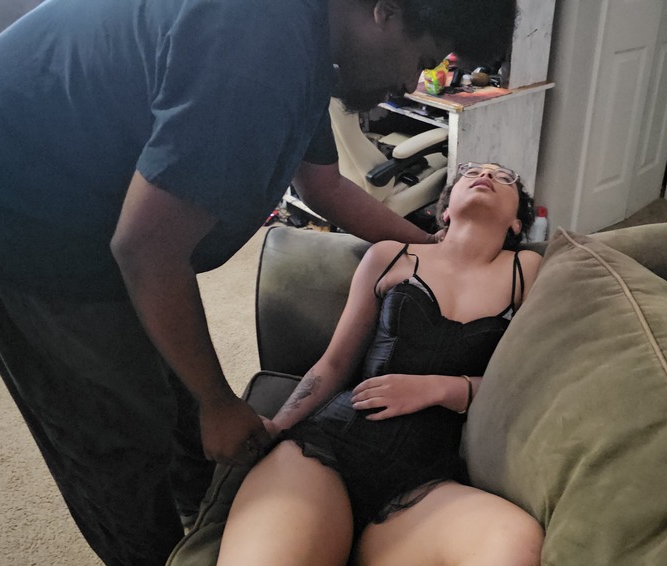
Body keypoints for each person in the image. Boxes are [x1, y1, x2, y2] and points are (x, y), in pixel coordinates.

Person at [0, 0, 517, 563]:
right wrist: (217, 402)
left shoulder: (310, 43)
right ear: (385, 11)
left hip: (97, 200)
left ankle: (202, 514)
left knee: (173, 392)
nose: (411, 84)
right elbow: (147, 250)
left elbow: (323, 186)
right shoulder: (257, 48)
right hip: (9, 201)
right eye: (422, 60)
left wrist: (438, 252)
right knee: (115, 435)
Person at [218, 162, 545, 565]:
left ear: (516, 222)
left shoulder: (526, 271)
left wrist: (442, 388)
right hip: (329, 449)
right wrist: (279, 426)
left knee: (516, 542)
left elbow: (527, 383)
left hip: (424, 485)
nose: (485, 175)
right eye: (471, 171)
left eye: (503, 177)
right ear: (445, 211)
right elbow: (334, 363)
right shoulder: (391, 256)